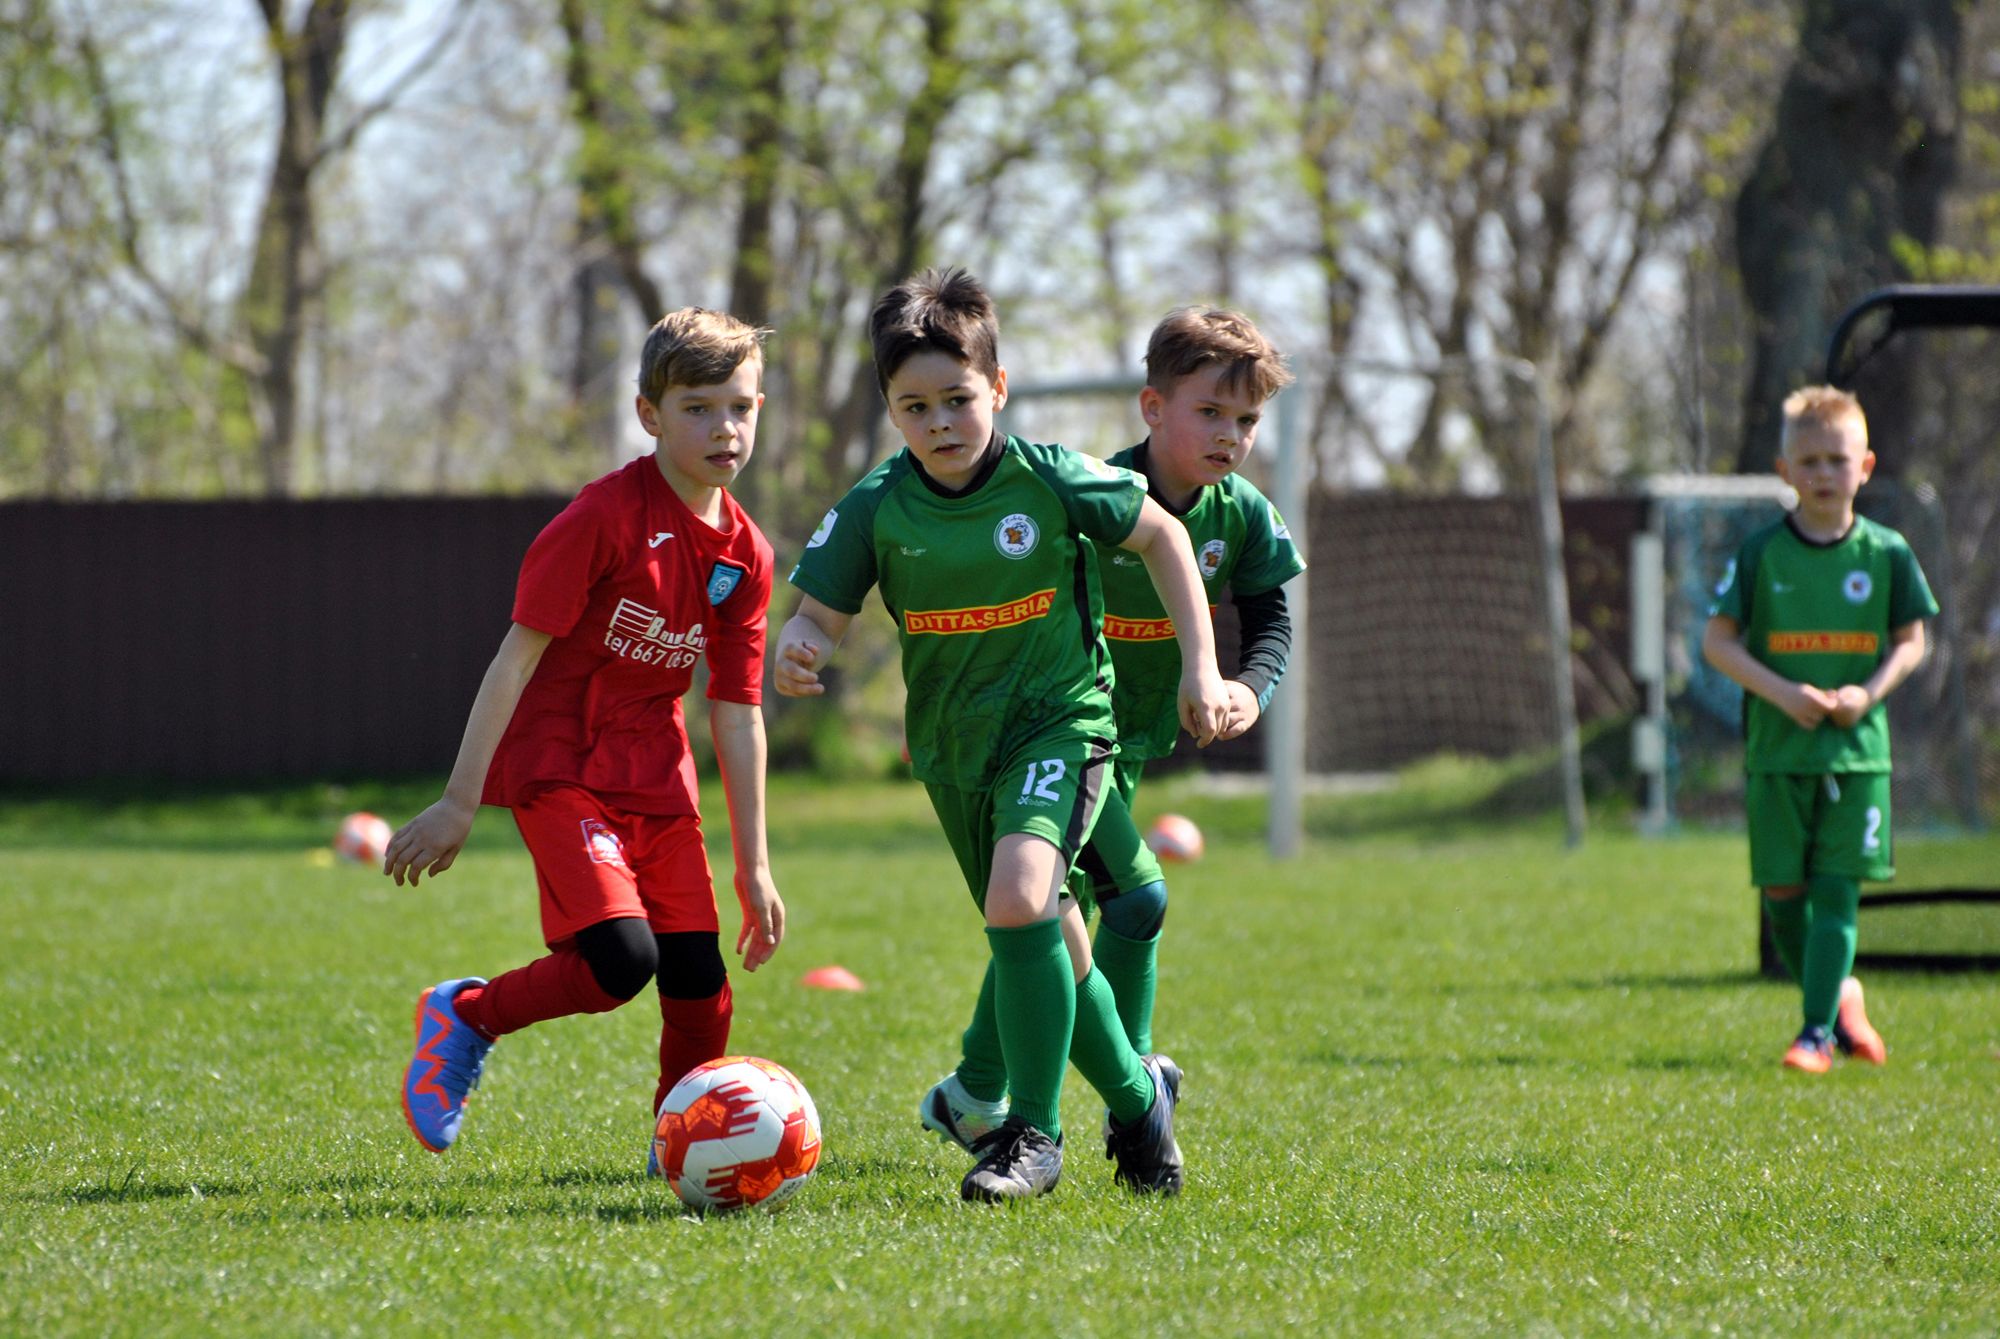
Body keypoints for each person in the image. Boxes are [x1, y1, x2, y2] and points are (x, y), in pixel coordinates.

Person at [774, 267, 1231, 1201]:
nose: (940, 422)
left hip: (1061, 724)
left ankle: (1031, 1134)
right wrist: (800, 645)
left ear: (999, 388)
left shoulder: (1050, 477)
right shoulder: (876, 504)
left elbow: (1163, 537)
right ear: (890, 410)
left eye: (958, 398)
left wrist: (1201, 667)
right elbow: (818, 611)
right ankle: (1139, 1103)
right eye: (915, 407)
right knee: (1055, 931)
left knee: (1022, 899)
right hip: (956, 754)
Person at [385, 307, 784, 1156]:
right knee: (620, 961)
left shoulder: (747, 554)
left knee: (700, 980)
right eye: (698, 408)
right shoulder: (603, 517)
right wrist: (459, 802)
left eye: (740, 407)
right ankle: (468, 1013)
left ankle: (682, 1139)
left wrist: (753, 865)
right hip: (560, 762)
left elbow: (737, 709)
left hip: (658, 775)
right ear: (650, 414)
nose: (725, 428)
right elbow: (514, 660)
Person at [921, 306, 1304, 1154]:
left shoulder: (1242, 514)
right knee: (1125, 899)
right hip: (1060, 734)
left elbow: (1272, 618)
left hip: (1129, 744)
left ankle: (977, 1087)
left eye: (1247, 420)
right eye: (1211, 411)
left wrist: (1247, 687)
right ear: (1152, 407)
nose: (1230, 435)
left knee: (1057, 911)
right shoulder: (1091, 492)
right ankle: (1127, 1081)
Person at [1702, 385, 1937, 1073]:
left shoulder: (1888, 552)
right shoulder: (1760, 554)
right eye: (1809, 461)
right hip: (1778, 753)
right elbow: (1718, 643)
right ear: (1784, 470)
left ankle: (1815, 1034)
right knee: (1783, 899)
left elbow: (1912, 641)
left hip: (1857, 755)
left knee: (1837, 892)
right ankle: (1842, 997)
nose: (1824, 473)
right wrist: (1782, 693)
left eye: (1837, 459)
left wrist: (1867, 692)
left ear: (1865, 466)